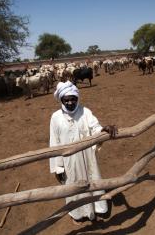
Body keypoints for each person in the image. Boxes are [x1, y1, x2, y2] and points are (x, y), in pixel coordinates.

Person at [49, 81, 117, 223]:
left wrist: (103, 129)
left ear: (77, 98)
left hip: (87, 158)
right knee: (73, 185)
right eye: (66, 100)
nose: (69, 103)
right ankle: (78, 214)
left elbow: (95, 127)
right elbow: (54, 142)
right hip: (69, 161)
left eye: (72, 99)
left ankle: (97, 209)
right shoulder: (55, 117)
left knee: (93, 182)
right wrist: (58, 166)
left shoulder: (85, 111)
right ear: (61, 100)